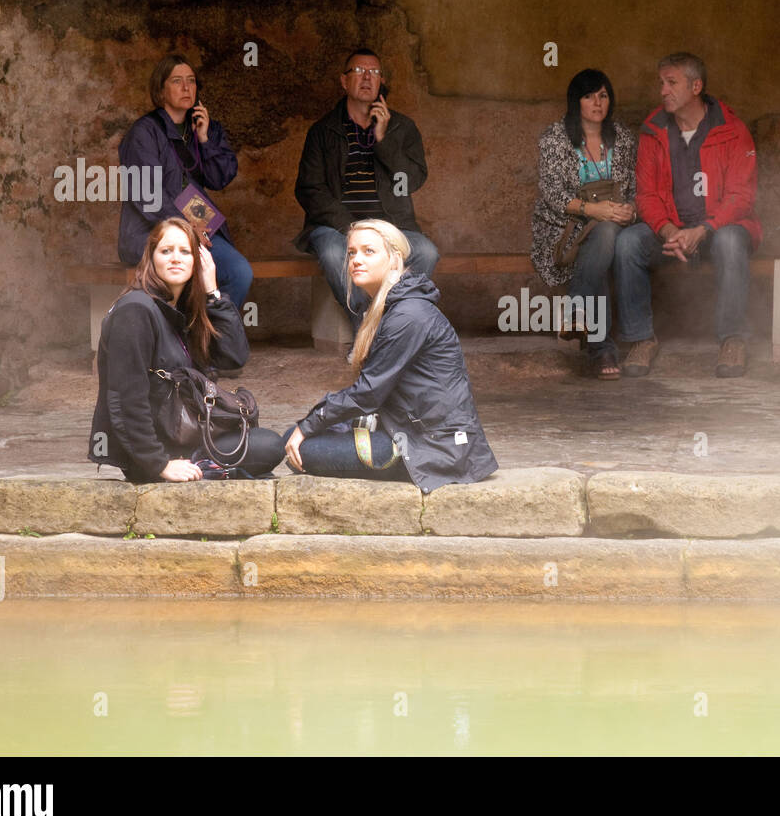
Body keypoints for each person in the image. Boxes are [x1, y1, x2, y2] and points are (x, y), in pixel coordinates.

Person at [284, 219, 497, 494]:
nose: (356, 260)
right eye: (351, 253)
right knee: (298, 435)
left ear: (395, 259)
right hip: (406, 429)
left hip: (435, 448)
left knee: (299, 444)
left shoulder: (408, 315)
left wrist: (310, 423)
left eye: (368, 252)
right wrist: (312, 423)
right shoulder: (390, 307)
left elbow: (368, 394)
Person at [89, 217, 286, 482]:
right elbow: (125, 397)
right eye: (166, 251)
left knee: (265, 444)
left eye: (185, 251)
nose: (175, 258)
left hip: (183, 432)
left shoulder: (181, 312)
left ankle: (216, 469)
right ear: (151, 258)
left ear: (198, 260)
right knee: (268, 448)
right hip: (155, 452)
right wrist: (158, 463)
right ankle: (207, 468)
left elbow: (233, 357)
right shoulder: (136, 309)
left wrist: (213, 292)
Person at [614, 52, 761, 378]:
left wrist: (703, 229)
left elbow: (742, 196)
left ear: (696, 86)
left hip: (717, 230)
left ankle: (732, 339)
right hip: (672, 232)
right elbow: (646, 194)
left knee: (731, 242)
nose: (663, 90)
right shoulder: (653, 131)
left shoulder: (732, 130)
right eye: (661, 83)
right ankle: (641, 339)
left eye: (671, 83)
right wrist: (668, 231)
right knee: (627, 243)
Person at [294, 48, 439, 330]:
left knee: (426, 251)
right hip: (337, 227)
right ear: (343, 81)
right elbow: (309, 189)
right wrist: (349, 227)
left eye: (373, 72)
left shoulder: (402, 128)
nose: (366, 78)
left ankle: (392, 325)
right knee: (336, 254)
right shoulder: (323, 131)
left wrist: (383, 140)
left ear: (381, 81)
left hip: (392, 225)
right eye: (358, 71)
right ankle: (367, 328)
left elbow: (412, 181)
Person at [117, 55, 253, 308]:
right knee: (185, 274)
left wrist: (204, 140)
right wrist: (186, 229)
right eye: (177, 81)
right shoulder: (144, 133)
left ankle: (215, 339)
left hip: (197, 222)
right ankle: (189, 339)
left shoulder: (206, 128)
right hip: (150, 230)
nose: (186, 87)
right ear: (160, 91)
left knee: (239, 272)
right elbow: (147, 194)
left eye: (191, 81)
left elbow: (220, 178)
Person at [531, 68, 638, 379]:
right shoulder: (555, 137)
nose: (597, 103)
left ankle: (580, 315)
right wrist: (594, 210)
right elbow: (552, 194)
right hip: (563, 226)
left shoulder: (623, 138)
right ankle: (601, 347)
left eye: (603, 95)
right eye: (589, 96)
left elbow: (634, 189)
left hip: (613, 222)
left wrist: (630, 210)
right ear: (575, 101)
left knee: (603, 239)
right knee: (601, 246)